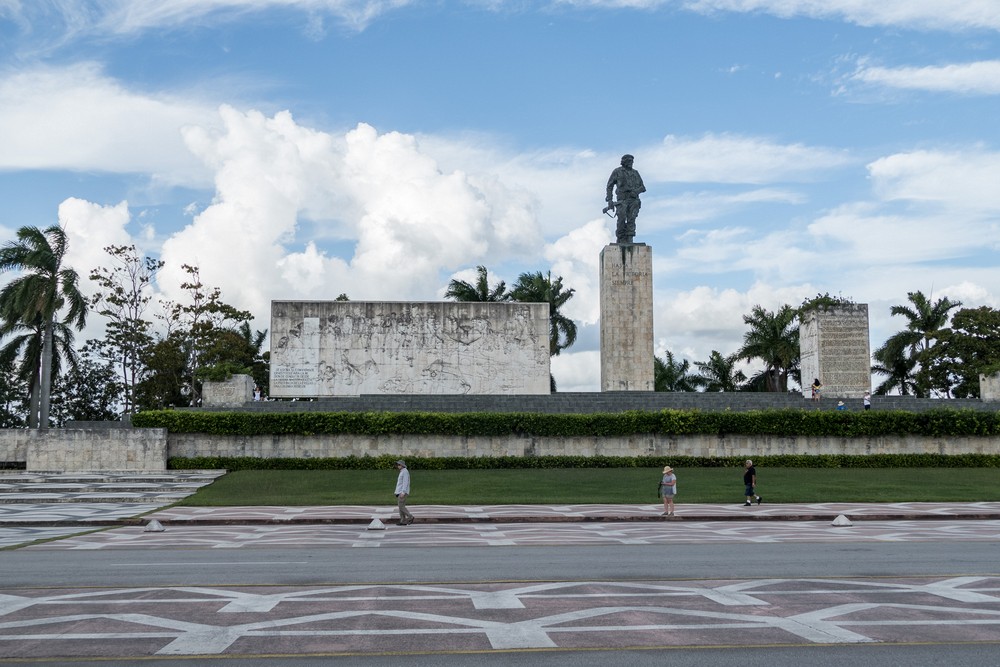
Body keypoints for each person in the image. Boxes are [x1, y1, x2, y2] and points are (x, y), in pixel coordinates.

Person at [605, 154, 646, 244]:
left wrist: (636, 191)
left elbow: (643, 187)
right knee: (621, 218)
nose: (631, 163)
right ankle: (621, 238)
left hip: (633, 200)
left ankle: (630, 238)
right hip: (622, 200)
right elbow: (609, 186)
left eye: (632, 161)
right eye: (629, 161)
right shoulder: (617, 171)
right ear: (624, 162)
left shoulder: (635, 173)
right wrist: (610, 200)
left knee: (632, 218)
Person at [393, 460, 414, 526]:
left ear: (402, 465)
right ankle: (403, 520)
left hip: (402, 492)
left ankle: (410, 516)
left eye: (399, 465)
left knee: (401, 506)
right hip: (399, 492)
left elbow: (405, 482)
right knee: (400, 507)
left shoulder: (405, 472)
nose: (398, 466)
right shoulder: (402, 472)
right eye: (397, 465)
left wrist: (403, 492)